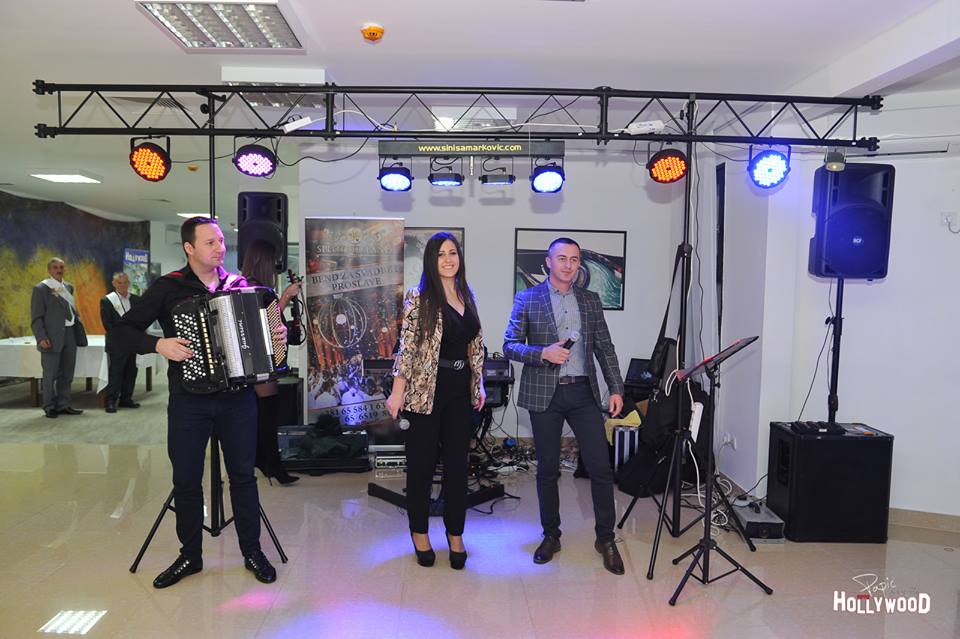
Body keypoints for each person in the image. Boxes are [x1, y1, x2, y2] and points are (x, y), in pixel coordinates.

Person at [112, 217, 283, 588]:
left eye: (220, 241)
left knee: (243, 477)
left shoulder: (241, 287)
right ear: (189, 248)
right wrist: (158, 344)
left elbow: (275, 335)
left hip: (237, 400)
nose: (219, 248)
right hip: (189, 401)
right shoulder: (168, 287)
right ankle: (190, 555)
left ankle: (252, 551)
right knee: (186, 479)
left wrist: (278, 335)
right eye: (210, 242)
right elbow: (121, 332)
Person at [503, 237, 627, 575]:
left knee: (600, 468)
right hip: (546, 394)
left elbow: (605, 347)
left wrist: (616, 388)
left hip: (584, 393)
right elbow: (510, 345)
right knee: (547, 470)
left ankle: (606, 538)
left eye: (574, 259)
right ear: (548, 262)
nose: (569, 265)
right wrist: (542, 352)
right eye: (562, 258)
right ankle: (551, 535)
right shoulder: (527, 298)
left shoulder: (590, 300)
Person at [386, 232, 485, 570]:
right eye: (441, 254)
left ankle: (455, 534)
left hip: (460, 392)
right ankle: (420, 533)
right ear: (431, 260)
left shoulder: (467, 294)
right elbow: (407, 348)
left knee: (458, 469)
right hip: (424, 392)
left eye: (452, 252)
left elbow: (475, 345)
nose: (448, 259)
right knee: (422, 468)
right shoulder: (419, 298)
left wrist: (478, 383)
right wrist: (397, 391)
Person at [240, 239, 301, 486]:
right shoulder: (256, 289)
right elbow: (267, 322)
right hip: (261, 360)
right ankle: (273, 465)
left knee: (261, 412)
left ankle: (262, 461)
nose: (276, 266)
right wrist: (286, 296)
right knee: (268, 413)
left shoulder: (246, 286)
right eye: (274, 261)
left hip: (254, 359)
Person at [31, 257, 87, 418]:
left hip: (70, 334)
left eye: (61, 267)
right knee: (50, 374)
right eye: (55, 267)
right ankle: (49, 406)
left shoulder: (68, 287)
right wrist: (41, 337)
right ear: (49, 270)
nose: (59, 270)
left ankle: (63, 404)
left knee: (67, 373)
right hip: (51, 336)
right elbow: (36, 317)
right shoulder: (41, 288)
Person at [100, 272, 141, 413]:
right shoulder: (107, 301)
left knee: (131, 371)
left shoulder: (136, 300)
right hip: (117, 343)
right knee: (116, 373)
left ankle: (126, 399)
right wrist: (123, 336)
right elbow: (107, 324)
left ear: (129, 283)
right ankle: (110, 401)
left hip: (132, 342)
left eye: (125, 282)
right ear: (114, 284)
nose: (123, 285)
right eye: (119, 282)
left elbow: (141, 319)